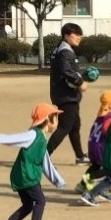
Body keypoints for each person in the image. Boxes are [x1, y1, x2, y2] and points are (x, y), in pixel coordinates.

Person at [0, 103, 66, 220]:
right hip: (27, 176)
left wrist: (57, 180)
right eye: (56, 117)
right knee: (40, 201)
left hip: (22, 176)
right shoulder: (34, 134)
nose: (58, 121)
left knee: (28, 205)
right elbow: (17, 138)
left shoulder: (42, 138)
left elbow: (46, 162)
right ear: (48, 119)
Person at [47, 22, 89, 165]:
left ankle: (80, 156)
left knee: (74, 125)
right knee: (65, 126)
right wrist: (80, 82)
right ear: (66, 35)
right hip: (66, 95)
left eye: (80, 35)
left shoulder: (62, 48)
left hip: (64, 94)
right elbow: (66, 70)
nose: (79, 37)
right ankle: (43, 156)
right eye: (75, 35)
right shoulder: (65, 51)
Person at [74, 90, 111, 194]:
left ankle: (82, 185)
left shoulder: (101, 115)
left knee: (95, 166)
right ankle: (95, 181)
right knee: (109, 169)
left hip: (93, 145)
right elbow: (105, 129)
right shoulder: (110, 117)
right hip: (100, 147)